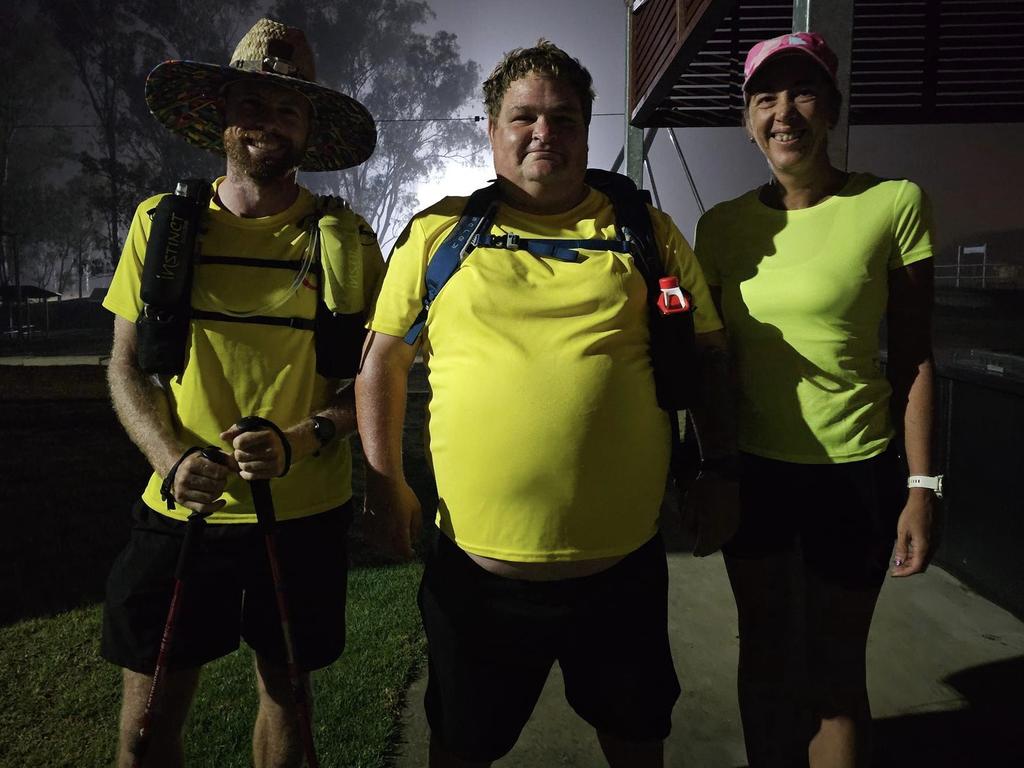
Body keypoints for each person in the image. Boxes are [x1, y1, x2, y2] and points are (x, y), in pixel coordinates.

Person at [356, 40, 734, 768]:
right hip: (477, 579)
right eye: (523, 117)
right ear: (491, 129)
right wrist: (384, 483)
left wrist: (719, 469)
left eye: (563, 119)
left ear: (587, 130)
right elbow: (381, 364)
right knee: (460, 747)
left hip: (620, 573)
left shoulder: (646, 234)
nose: (543, 134)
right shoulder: (441, 233)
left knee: (636, 740)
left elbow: (711, 356)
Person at [100, 19, 383, 768]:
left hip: (305, 515)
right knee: (147, 721)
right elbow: (124, 367)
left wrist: (303, 440)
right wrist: (169, 458)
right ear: (221, 116)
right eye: (252, 103)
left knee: (289, 704)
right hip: (179, 508)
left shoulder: (347, 239)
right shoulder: (162, 226)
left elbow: (370, 382)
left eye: (287, 109)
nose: (266, 122)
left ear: (308, 130)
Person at [693, 31, 938, 768]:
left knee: (835, 674)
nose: (784, 113)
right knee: (764, 656)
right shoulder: (723, 227)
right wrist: (712, 470)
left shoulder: (893, 204)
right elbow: (711, 363)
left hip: (855, 471)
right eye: (766, 97)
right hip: (758, 474)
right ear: (748, 119)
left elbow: (918, 355)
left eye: (802, 93)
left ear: (830, 107)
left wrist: (923, 487)